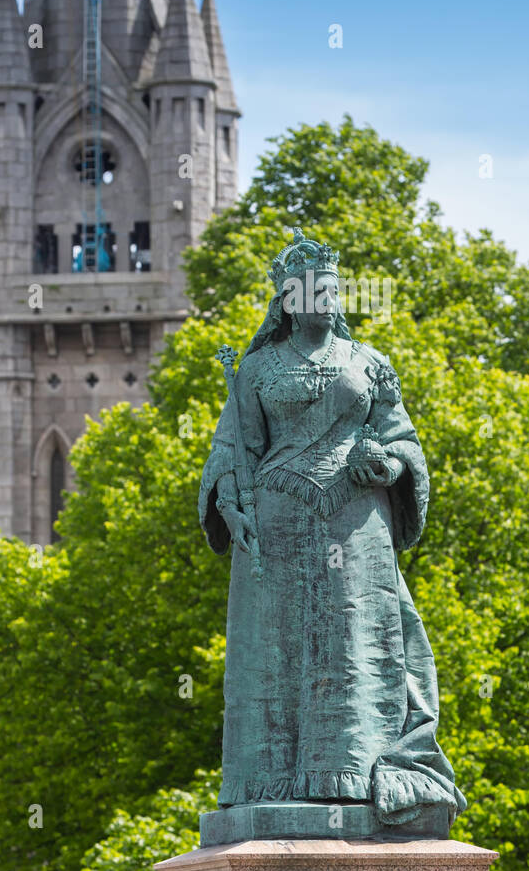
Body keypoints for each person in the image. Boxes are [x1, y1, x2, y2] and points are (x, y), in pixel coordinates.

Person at [199, 228, 466, 828]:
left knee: (351, 640)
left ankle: (355, 768)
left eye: (331, 288)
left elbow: (404, 441)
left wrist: (389, 463)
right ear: (287, 301)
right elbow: (230, 450)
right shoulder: (255, 369)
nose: (324, 298)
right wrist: (228, 499)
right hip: (276, 527)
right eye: (310, 290)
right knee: (277, 648)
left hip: (354, 522)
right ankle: (267, 781)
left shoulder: (369, 364)